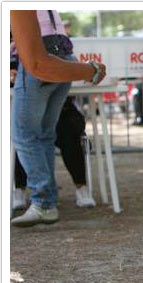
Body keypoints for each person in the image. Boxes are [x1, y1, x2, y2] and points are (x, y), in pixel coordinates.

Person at [10, 10, 106, 227]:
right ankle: (47, 201)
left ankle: (43, 201)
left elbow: (35, 61)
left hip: (41, 57)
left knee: (24, 136)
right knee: (43, 135)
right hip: (63, 55)